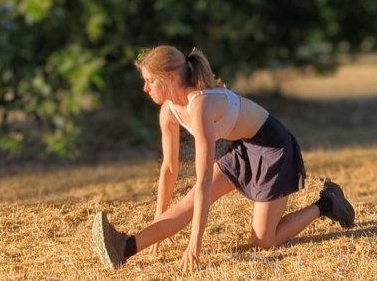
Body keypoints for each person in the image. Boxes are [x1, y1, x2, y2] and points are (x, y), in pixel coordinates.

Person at [91, 46, 355, 274]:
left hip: (273, 148)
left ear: (170, 78)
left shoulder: (202, 105)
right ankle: (125, 247)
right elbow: (169, 170)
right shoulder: (168, 112)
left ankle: (326, 203)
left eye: (150, 81)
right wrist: (157, 230)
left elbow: (204, 179)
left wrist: (194, 244)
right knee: (187, 202)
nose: (145, 88)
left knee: (264, 241)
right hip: (244, 148)